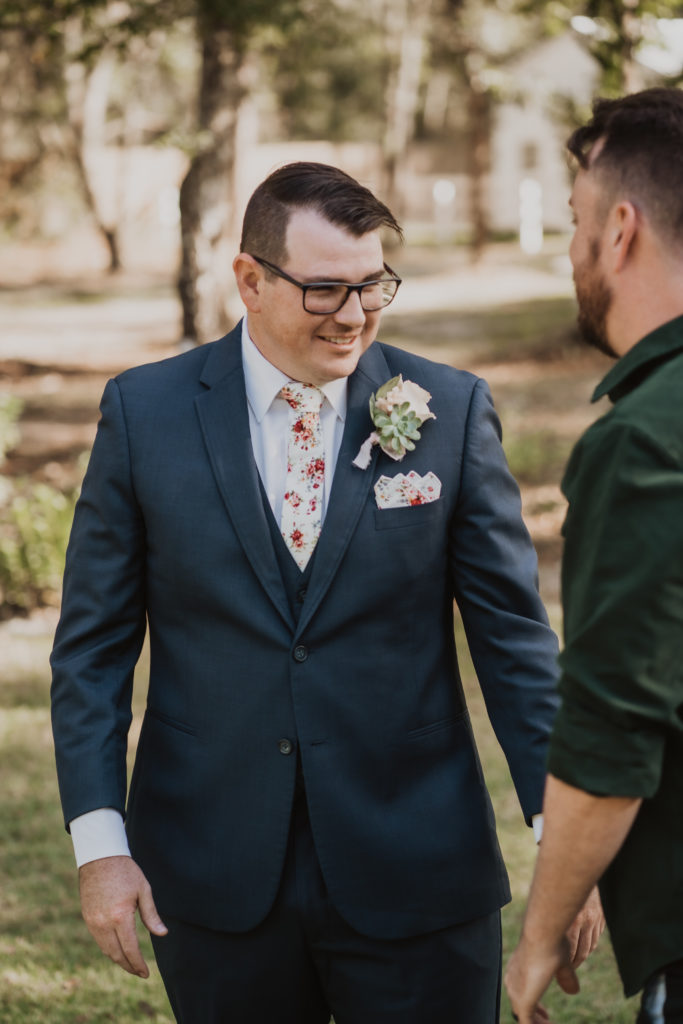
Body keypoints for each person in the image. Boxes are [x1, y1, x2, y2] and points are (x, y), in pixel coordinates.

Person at [51, 161, 591, 1024]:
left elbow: (516, 648)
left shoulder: (448, 412)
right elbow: (91, 651)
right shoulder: (143, 413)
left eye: (373, 285)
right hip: (212, 869)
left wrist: (561, 845)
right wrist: (99, 849)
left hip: (418, 863)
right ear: (249, 280)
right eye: (325, 289)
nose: (353, 315)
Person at [505, 88, 683, 1024]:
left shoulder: (647, 440)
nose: (569, 250)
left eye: (573, 223)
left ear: (619, 231)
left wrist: (540, 935)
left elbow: (613, 728)